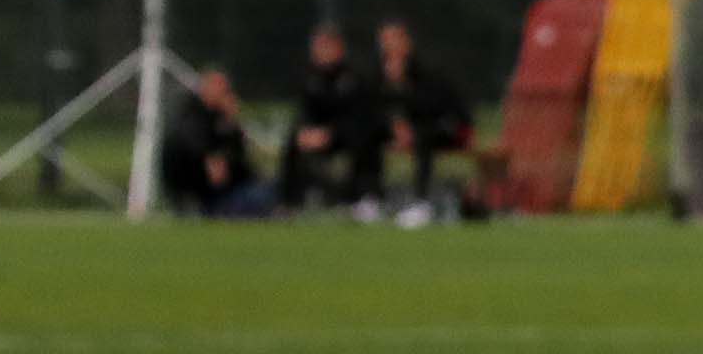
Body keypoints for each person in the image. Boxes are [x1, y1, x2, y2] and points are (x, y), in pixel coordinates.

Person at [376, 19, 476, 221]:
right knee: (364, 133)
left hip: (447, 126)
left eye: (392, 40)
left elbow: (433, 108)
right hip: (408, 131)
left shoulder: (427, 69)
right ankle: (368, 199)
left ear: (405, 42)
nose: (387, 46)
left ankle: (421, 203)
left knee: (423, 136)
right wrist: (394, 126)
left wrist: (401, 86)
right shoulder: (380, 72)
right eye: (383, 41)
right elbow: (376, 107)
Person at [278, 24, 382, 216]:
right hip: (319, 136)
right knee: (294, 141)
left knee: (363, 140)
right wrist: (305, 131)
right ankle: (288, 202)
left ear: (338, 49)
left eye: (326, 47)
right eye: (317, 47)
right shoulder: (309, 78)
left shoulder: (354, 77)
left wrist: (330, 133)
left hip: (347, 135)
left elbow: (360, 116)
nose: (320, 52)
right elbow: (304, 111)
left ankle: (361, 198)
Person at [161, 69, 274, 217]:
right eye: (221, 89)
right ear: (205, 89)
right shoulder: (192, 118)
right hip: (201, 189)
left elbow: (238, 154)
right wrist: (210, 159)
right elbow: (195, 149)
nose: (225, 95)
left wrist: (232, 123)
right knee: (261, 196)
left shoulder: (221, 120)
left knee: (269, 189)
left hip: (226, 186)